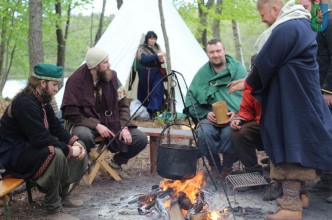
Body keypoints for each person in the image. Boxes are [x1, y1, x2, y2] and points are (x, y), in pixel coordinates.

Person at [228, 0, 332, 219]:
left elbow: (266, 61)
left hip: (293, 99)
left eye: (263, 13)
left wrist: (249, 82)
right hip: (299, 93)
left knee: (290, 144)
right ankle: (300, 196)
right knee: (298, 142)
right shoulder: (303, 24)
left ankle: (290, 208)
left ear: (275, 10)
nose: (261, 19)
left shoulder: (289, 27)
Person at [0, 64, 87, 220]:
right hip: (14, 155)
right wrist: (68, 149)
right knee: (57, 153)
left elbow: (55, 127)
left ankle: (63, 195)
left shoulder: (41, 100)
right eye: (54, 84)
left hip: (30, 148)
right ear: (42, 83)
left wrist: (73, 141)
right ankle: (53, 210)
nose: (56, 89)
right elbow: (40, 138)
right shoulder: (25, 102)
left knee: (77, 145)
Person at [61, 47, 148, 176]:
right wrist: (96, 124)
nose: (109, 64)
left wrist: (124, 126)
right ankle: (85, 164)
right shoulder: (75, 81)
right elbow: (72, 114)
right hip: (86, 124)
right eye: (105, 62)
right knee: (82, 135)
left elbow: (123, 105)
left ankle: (116, 163)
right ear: (95, 66)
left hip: (112, 122)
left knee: (140, 138)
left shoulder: (112, 77)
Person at [184, 38, 247, 180]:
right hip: (209, 119)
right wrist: (206, 113)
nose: (215, 55)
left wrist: (236, 114)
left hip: (232, 118)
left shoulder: (237, 69)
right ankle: (214, 164)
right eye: (211, 52)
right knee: (203, 133)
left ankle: (227, 166)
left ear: (224, 51)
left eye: (218, 51)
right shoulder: (203, 73)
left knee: (230, 134)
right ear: (207, 54)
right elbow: (191, 98)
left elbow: (247, 95)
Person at [300, 0, 332, 204]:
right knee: (325, 133)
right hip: (317, 87)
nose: (299, 4)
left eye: (303, 1)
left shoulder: (327, 17)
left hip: (328, 89)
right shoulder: (318, 20)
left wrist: (328, 89)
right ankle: (327, 179)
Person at [136, 31, 166, 118]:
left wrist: (161, 58)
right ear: (147, 39)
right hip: (146, 73)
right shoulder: (142, 48)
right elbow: (144, 59)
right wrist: (157, 55)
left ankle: (155, 112)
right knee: (144, 92)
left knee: (157, 91)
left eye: (154, 38)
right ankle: (145, 111)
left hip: (157, 73)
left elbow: (161, 61)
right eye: (150, 38)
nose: (153, 40)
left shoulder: (157, 46)